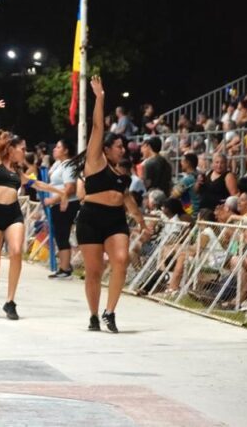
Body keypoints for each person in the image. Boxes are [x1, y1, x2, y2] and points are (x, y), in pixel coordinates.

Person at [68, 77, 151, 332]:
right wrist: (100, 98)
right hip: (91, 218)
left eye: (122, 146)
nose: (122, 149)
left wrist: (141, 222)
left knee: (121, 260)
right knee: (94, 271)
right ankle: (93, 315)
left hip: (115, 220)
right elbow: (96, 126)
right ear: (105, 148)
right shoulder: (95, 161)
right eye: (118, 146)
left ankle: (110, 311)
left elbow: (127, 200)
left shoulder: (121, 174)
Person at [0, 100, 68, 320]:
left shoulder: (18, 173)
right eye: (22, 148)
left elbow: (37, 184)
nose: (24, 152)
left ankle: (10, 301)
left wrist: (60, 191)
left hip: (13, 214)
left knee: (17, 251)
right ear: (11, 149)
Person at [45, 138, 79, 279]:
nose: (55, 149)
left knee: (62, 234)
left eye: (58, 147)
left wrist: (53, 200)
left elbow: (70, 188)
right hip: (57, 205)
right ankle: (63, 266)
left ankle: (65, 268)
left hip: (65, 204)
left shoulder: (69, 165)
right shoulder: (59, 164)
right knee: (59, 234)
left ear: (66, 150)